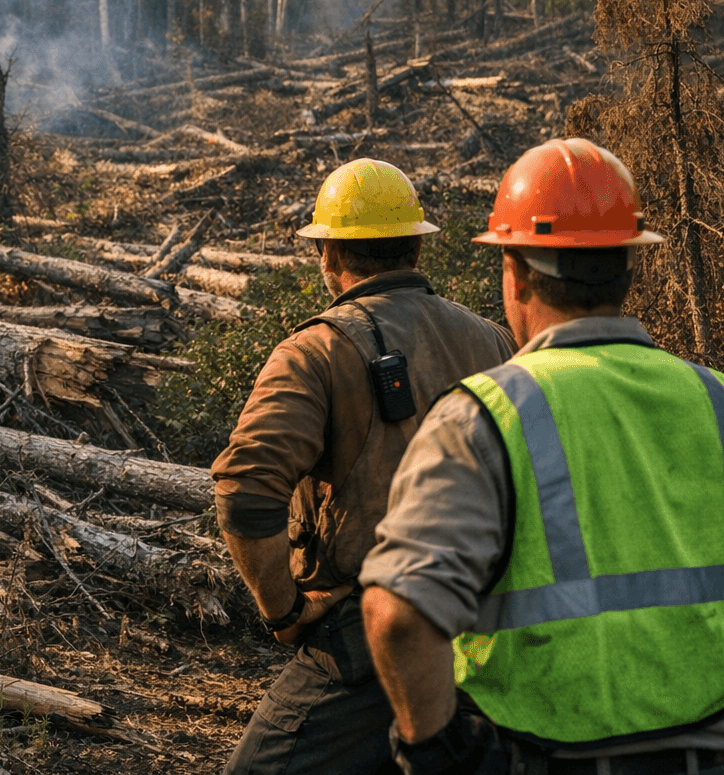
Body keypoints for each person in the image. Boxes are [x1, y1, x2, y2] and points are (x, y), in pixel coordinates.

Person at [360, 137, 724, 775]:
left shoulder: (480, 418)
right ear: (628, 269)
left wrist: (438, 751)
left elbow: (399, 617)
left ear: (516, 272)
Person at [212, 158, 517, 775]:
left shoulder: (316, 351)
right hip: (489, 621)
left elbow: (245, 494)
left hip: (368, 633)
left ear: (328, 256)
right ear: (417, 248)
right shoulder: (494, 340)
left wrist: (286, 613)